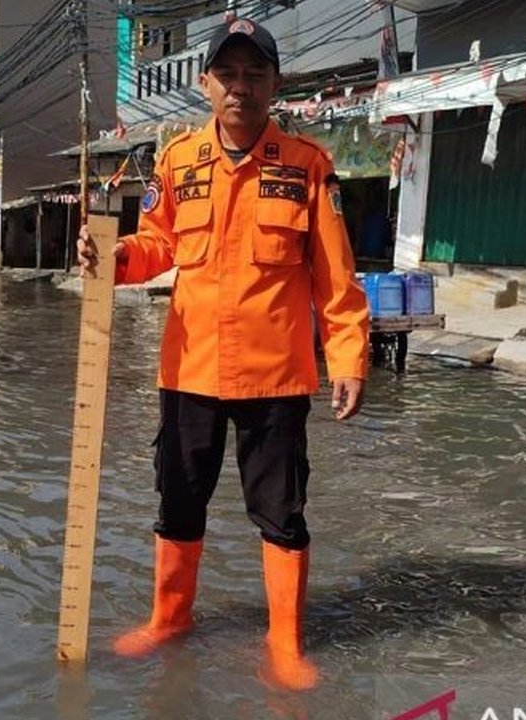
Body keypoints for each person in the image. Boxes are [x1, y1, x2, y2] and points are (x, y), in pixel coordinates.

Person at [77, 18, 369, 691]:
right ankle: (169, 620)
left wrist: (349, 358)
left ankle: (285, 643)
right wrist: (114, 257)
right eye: (228, 74)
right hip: (189, 371)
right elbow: (156, 245)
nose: (241, 87)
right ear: (206, 83)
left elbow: (336, 277)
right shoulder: (177, 161)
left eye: (255, 74)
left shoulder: (306, 167)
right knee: (178, 503)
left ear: (275, 84)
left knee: (282, 513)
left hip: (277, 376)